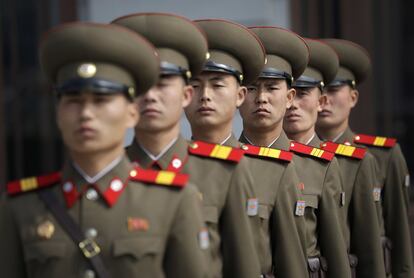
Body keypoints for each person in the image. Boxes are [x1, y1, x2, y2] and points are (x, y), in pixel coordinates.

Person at [0, 22, 209, 278]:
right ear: (58, 114)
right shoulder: (21, 207)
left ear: (132, 113)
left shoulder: (173, 201)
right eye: (74, 101)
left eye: (101, 100)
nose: (86, 114)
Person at [113, 14, 261, 278]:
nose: (151, 96)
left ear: (185, 94)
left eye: (162, 83)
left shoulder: (225, 172)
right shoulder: (107, 174)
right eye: (142, 85)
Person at [317, 38, 413, 277]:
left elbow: (400, 234)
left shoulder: (383, 156)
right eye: (319, 90)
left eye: (334, 89)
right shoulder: (297, 158)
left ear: (353, 97)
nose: (325, 99)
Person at [283, 38, 351, 278]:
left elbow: (338, 253)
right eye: (291, 95)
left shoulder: (324, 165)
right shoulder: (248, 160)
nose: (293, 105)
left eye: (303, 94)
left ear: (320, 102)